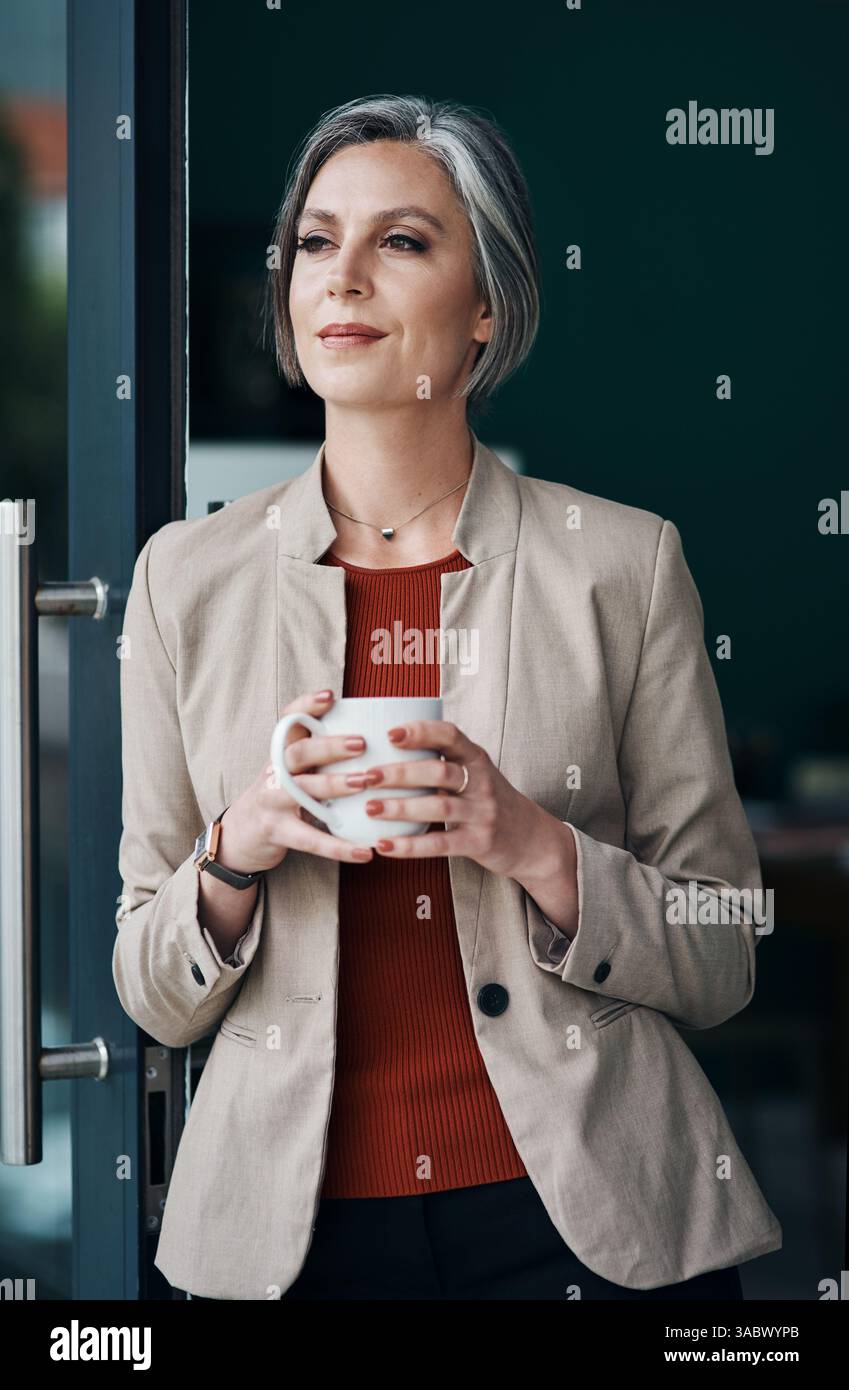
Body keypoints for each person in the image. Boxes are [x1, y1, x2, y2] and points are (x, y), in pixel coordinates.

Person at [113, 94, 782, 1301]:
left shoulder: (623, 566)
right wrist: (235, 851)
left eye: (402, 241)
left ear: (488, 307)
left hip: (585, 1222)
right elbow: (150, 994)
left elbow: (726, 946)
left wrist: (532, 844)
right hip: (283, 1240)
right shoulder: (184, 577)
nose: (343, 277)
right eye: (316, 242)